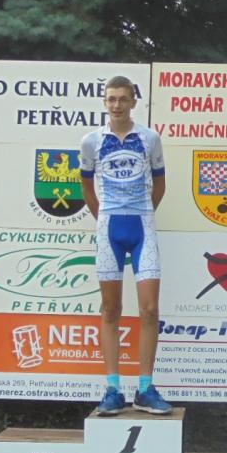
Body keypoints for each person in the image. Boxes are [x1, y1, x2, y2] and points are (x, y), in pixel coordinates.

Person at [79, 75, 168, 415]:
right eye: (111, 99)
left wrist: (143, 212)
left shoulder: (149, 138)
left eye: (122, 99)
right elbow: (86, 187)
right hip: (109, 228)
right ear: (105, 102)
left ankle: (145, 389)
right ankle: (113, 388)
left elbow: (160, 185)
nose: (116, 105)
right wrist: (103, 218)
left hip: (142, 225)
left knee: (150, 310)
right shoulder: (91, 141)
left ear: (133, 102)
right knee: (110, 309)